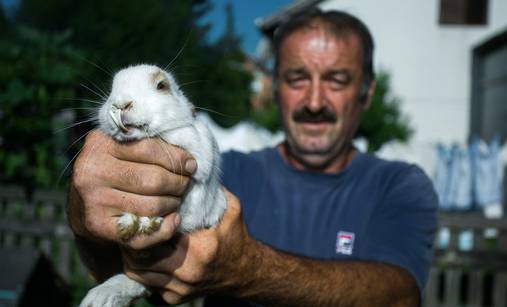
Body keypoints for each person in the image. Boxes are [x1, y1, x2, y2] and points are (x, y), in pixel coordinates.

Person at [68, 9, 438, 307]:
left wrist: (247, 268)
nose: (313, 101)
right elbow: (116, 262)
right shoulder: (228, 171)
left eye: (337, 80)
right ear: (274, 87)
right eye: (296, 78)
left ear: (367, 92)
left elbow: (399, 295)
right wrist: (87, 212)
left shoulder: (401, 185)